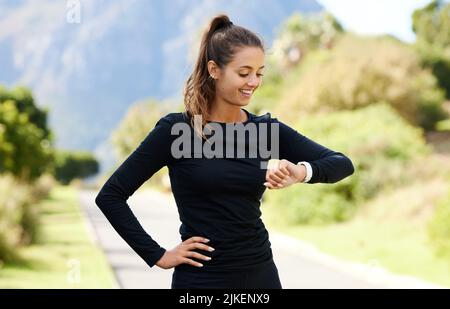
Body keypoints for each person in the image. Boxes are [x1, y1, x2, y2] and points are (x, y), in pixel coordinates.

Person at [95, 14, 355, 289]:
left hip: (260, 276)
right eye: (244, 73)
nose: (253, 82)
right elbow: (111, 195)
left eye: (259, 73)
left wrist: (301, 172)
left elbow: (341, 163)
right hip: (201, 281)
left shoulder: (265, 130)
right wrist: (158, 254)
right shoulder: (177, 130)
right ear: (214, 69)